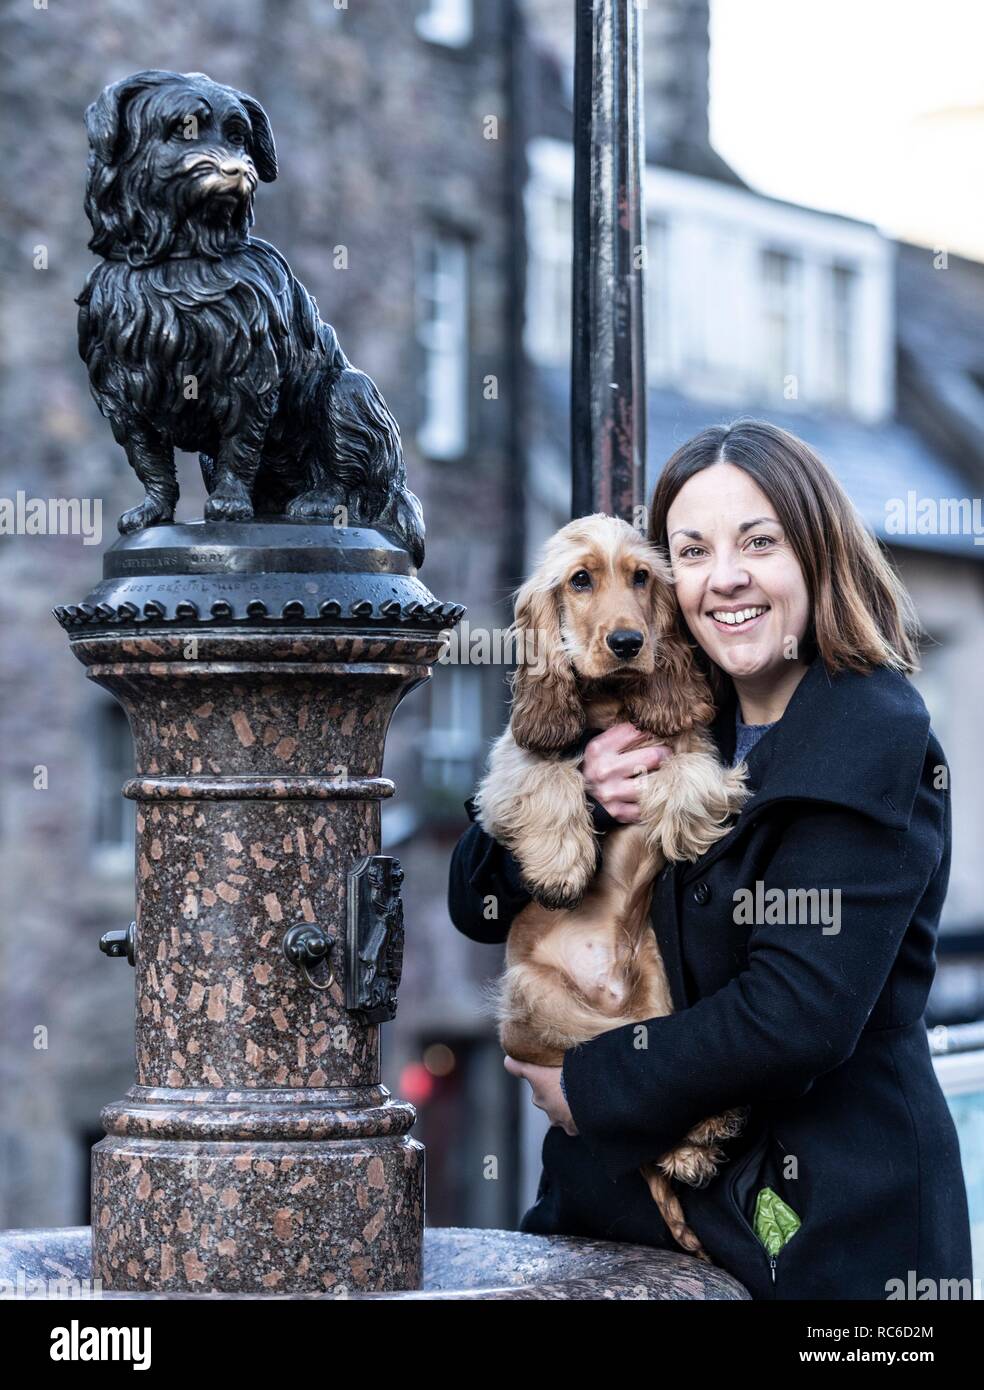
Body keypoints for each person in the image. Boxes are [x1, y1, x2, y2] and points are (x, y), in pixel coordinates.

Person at [447, 419, 973, 1300]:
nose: (724, 577)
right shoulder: (661, 705)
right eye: (691, 551)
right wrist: (579, 794)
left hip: (827, 1239)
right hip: (613, 1220)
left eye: (758, 542)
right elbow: (478, 907)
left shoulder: (870, 736)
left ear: (816, 553)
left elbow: (798, 1012)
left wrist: (590, 1084)